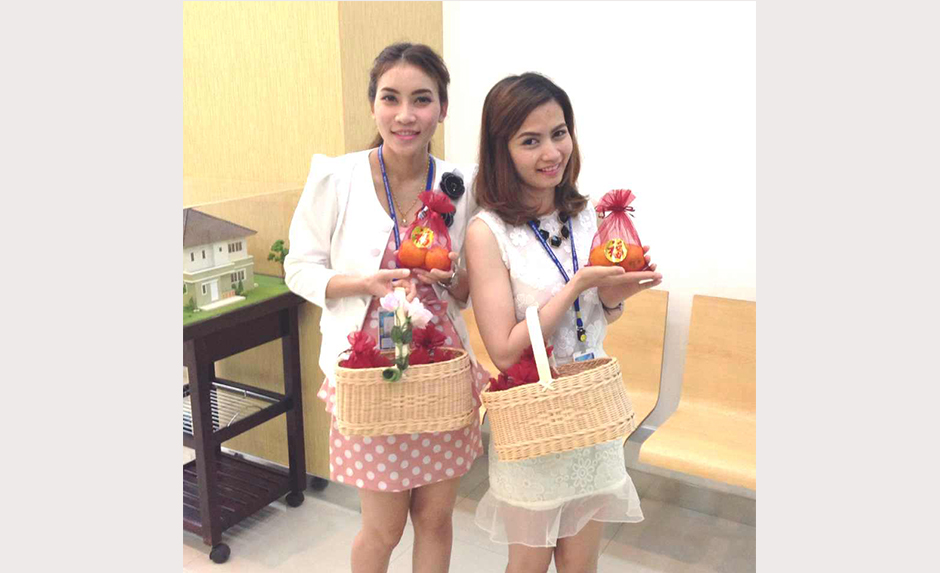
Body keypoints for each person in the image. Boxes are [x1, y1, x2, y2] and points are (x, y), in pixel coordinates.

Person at [284, 42, 488, 573]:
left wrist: (451, 277)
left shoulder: (462, 185)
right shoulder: (337, 178)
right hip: (370, 379)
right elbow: (299, 268)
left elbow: (470, 289)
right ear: (373, 105)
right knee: (383, 529)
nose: (405, 115)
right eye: (390, 98)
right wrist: (362, 283)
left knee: (436, 520)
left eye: (422, 99)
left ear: (443, 108)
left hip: (442, 375)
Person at [464, 72, 663, 573]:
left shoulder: (587, 216)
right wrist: (574, 286)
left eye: (559, 133)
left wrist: (613, 296)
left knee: (580, 564)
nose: (551, 152)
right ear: (502, 150)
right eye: (530, 141)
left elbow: (591, 318)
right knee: (529, 564)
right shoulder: (487, 232)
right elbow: (504, 350)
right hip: (535, 423)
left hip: (590, 414)